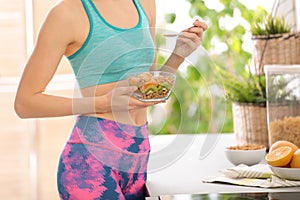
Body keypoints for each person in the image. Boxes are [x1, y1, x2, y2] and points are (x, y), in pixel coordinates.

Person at [14, 0, 207, 199]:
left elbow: (147, 89)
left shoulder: (144, 3)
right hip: (90, 166)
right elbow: (25, 103)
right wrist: (103, 102)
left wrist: (178, 55)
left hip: (137, 160)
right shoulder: (66, 13)